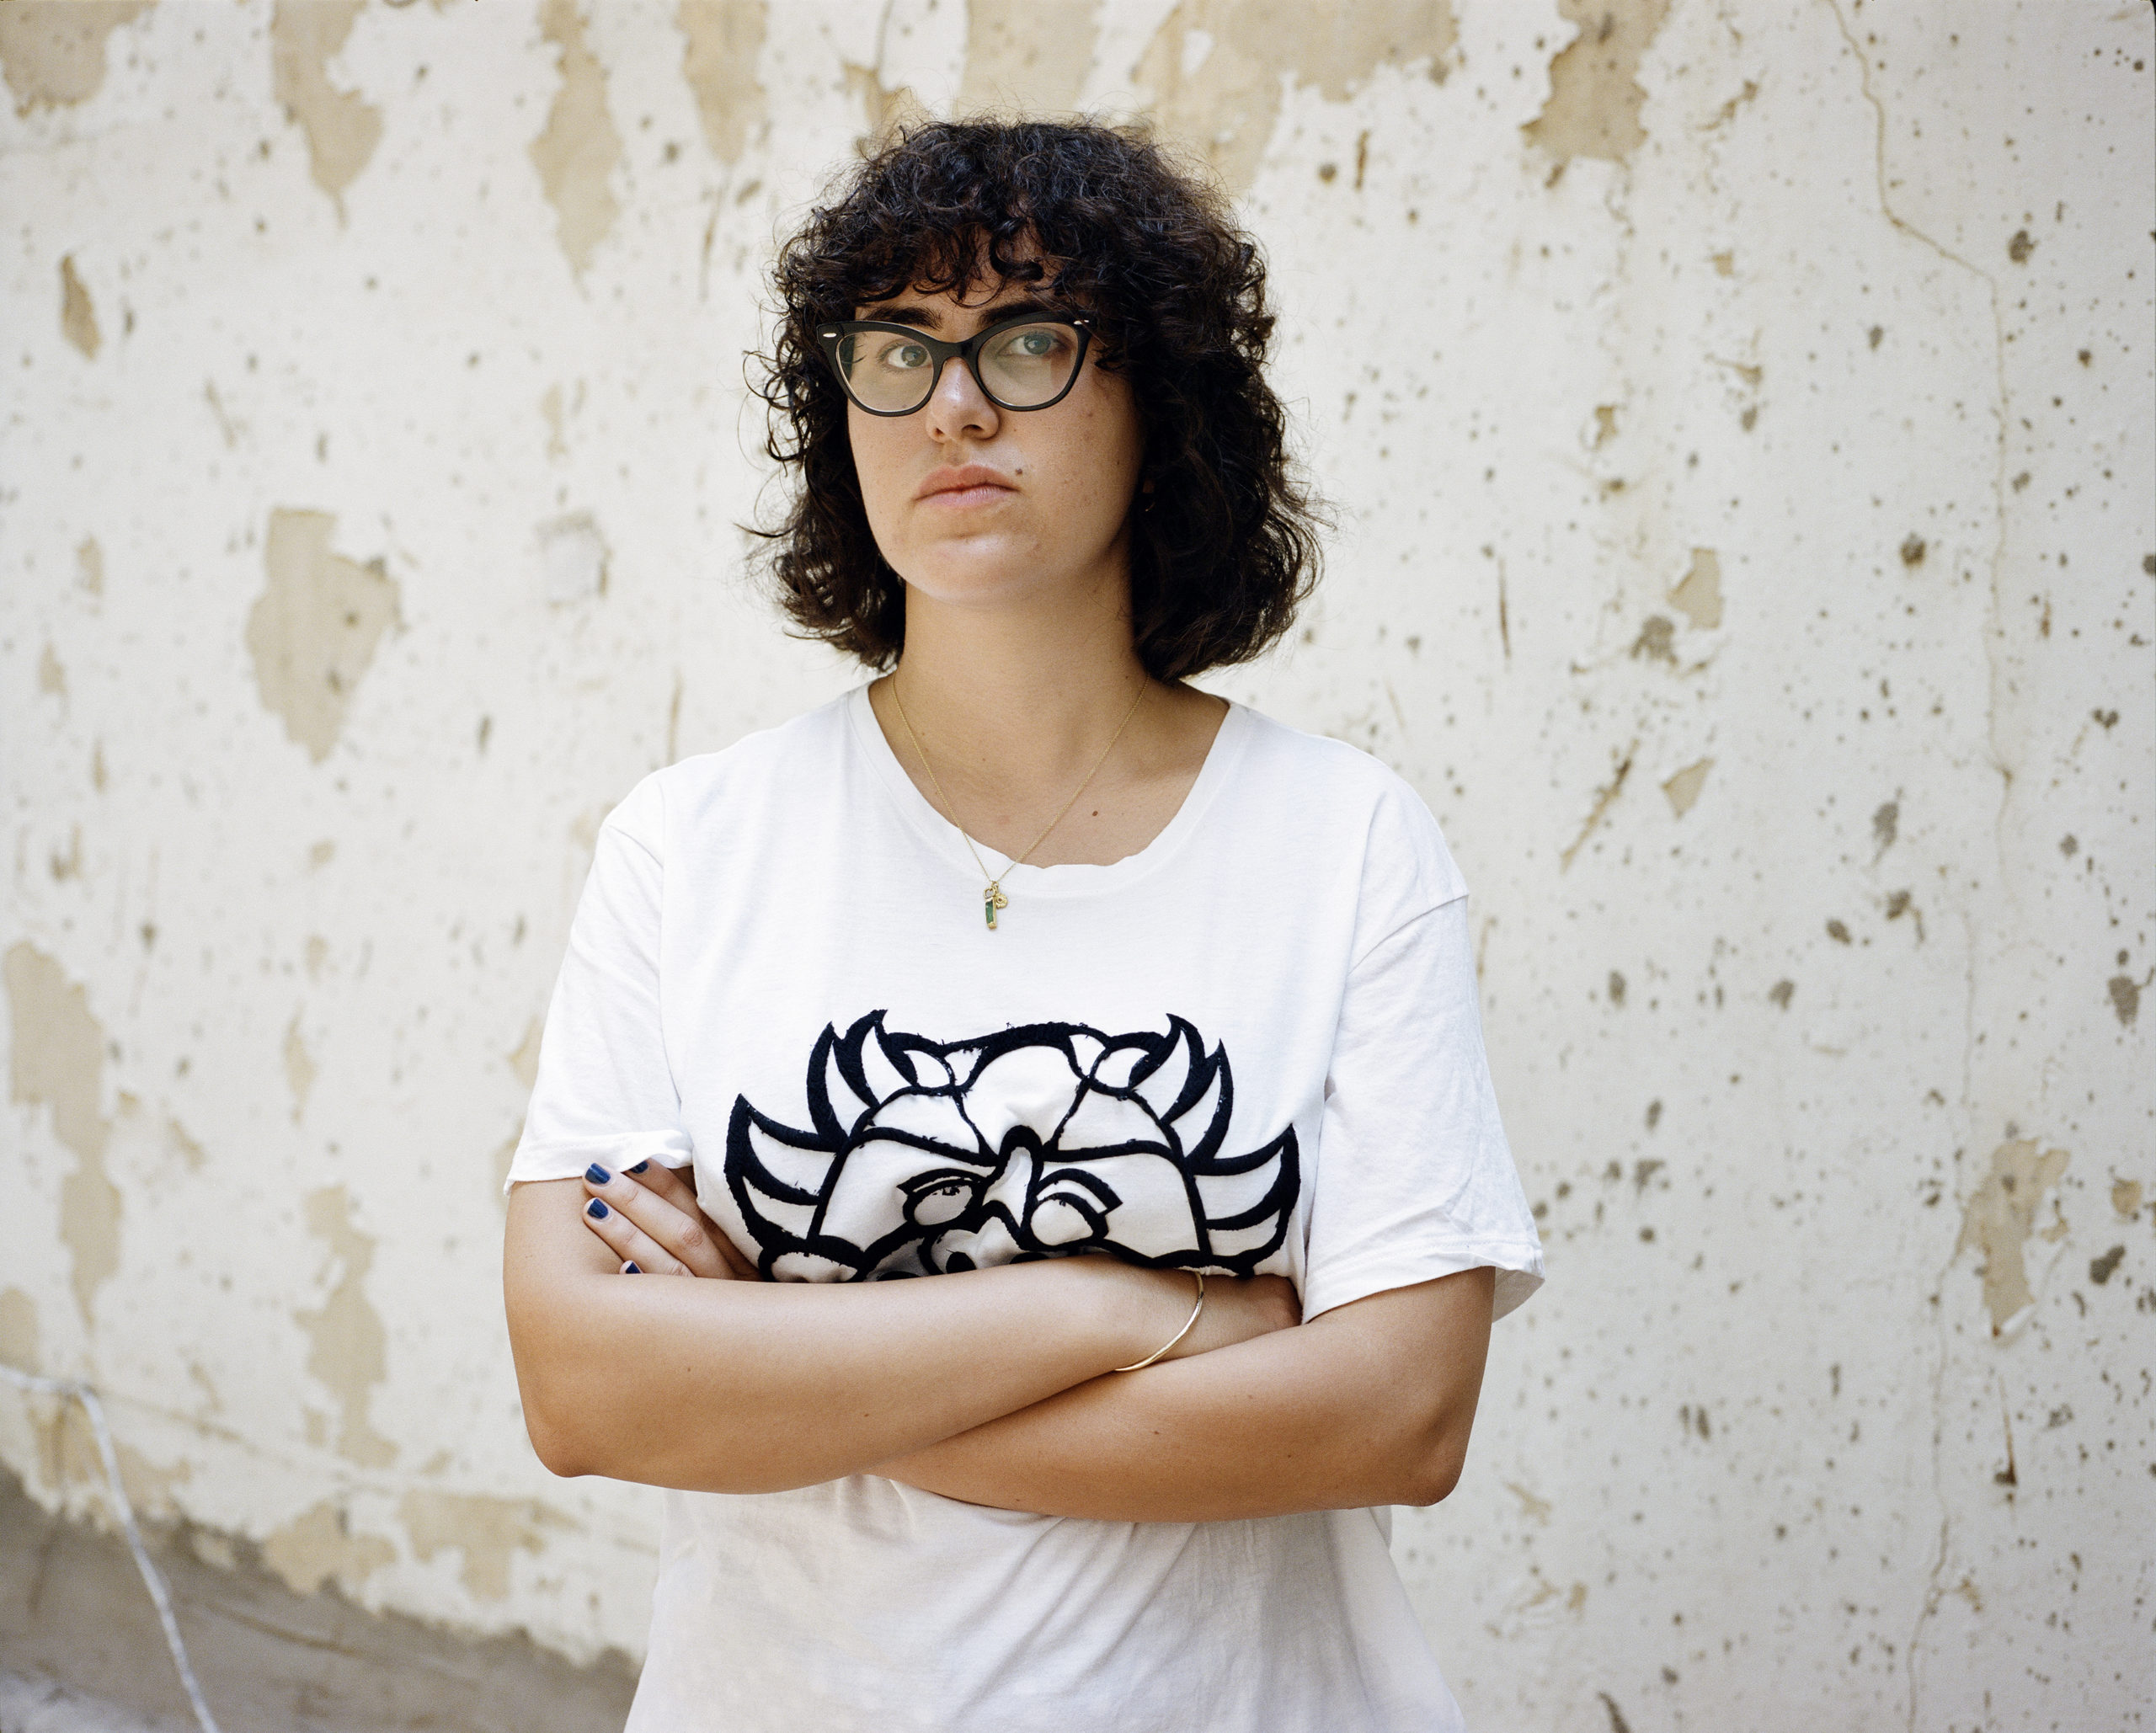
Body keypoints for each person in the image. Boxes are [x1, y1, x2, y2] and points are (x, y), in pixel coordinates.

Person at [501, 117, 1543, 1732]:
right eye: (898, 349)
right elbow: (584, 1390)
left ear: (1160, 407)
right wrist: (1121, 1311)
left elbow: (1399, 1417)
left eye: (1030, 340)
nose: (955, 404)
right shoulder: (690, 847)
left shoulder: (1345, 843)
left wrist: (780, 1369)